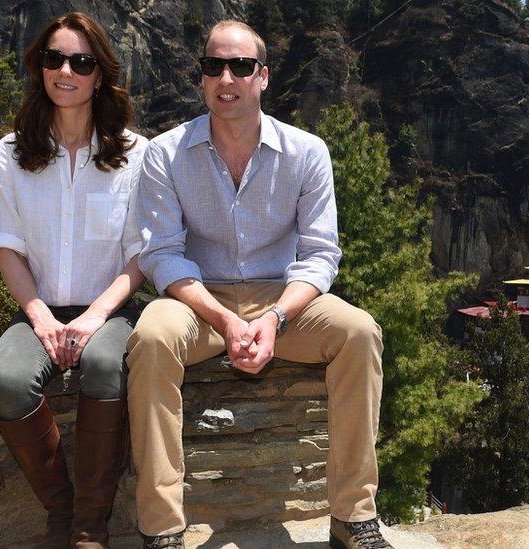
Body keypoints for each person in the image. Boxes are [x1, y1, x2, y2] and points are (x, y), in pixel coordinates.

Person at [128, 20, 392, 549]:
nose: (227, 78)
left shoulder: (306, 152)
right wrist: (225, 320)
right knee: (151, 340)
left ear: (263, 76)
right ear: (202, 77)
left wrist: (274, 318)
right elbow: (162, 255)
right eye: (213, 66)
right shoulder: (165, 153)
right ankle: (161, 528)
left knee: (360, 333)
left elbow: (320, 255)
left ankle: (353, 515)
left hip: (282, 297)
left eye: (241, 66)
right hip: (198, 300)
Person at [0, 12, 147, 549]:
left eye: (81, 61)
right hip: (39, 308)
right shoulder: (11, 153)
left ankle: (89, 528)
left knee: (105, 363)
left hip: (112, 310)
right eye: (54, 58)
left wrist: (94, 317)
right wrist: (41, 318)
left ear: (99, 74)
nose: (66, 71)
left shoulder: (134, 153)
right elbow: (7, 245)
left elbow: (140, 256)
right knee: (9, 379)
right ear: (40, 68)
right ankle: (62, 510)